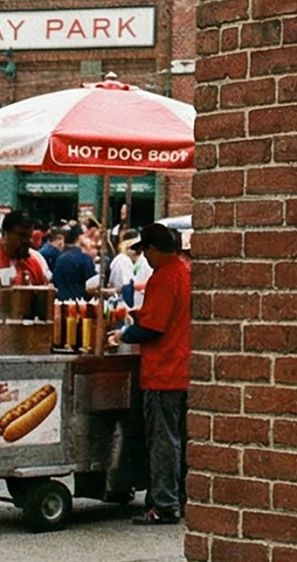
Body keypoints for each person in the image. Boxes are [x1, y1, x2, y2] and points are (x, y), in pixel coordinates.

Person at [114, 222, 191, 525]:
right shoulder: (184, 271)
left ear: (154, 249)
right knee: (178, 440)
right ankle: (178, 497)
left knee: (163, 443)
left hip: (163, 371)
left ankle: (163, 503)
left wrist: (123, 334)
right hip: (182, 368)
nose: (145, 257)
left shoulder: (163, 278)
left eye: (146, 251)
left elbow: (153, 328)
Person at [49, 225, 97, 302]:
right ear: (79, 239)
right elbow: (92, 284)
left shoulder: (59, 259)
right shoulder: (84, 259)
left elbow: (54, 282)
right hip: (80, 304)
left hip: (61, 303)